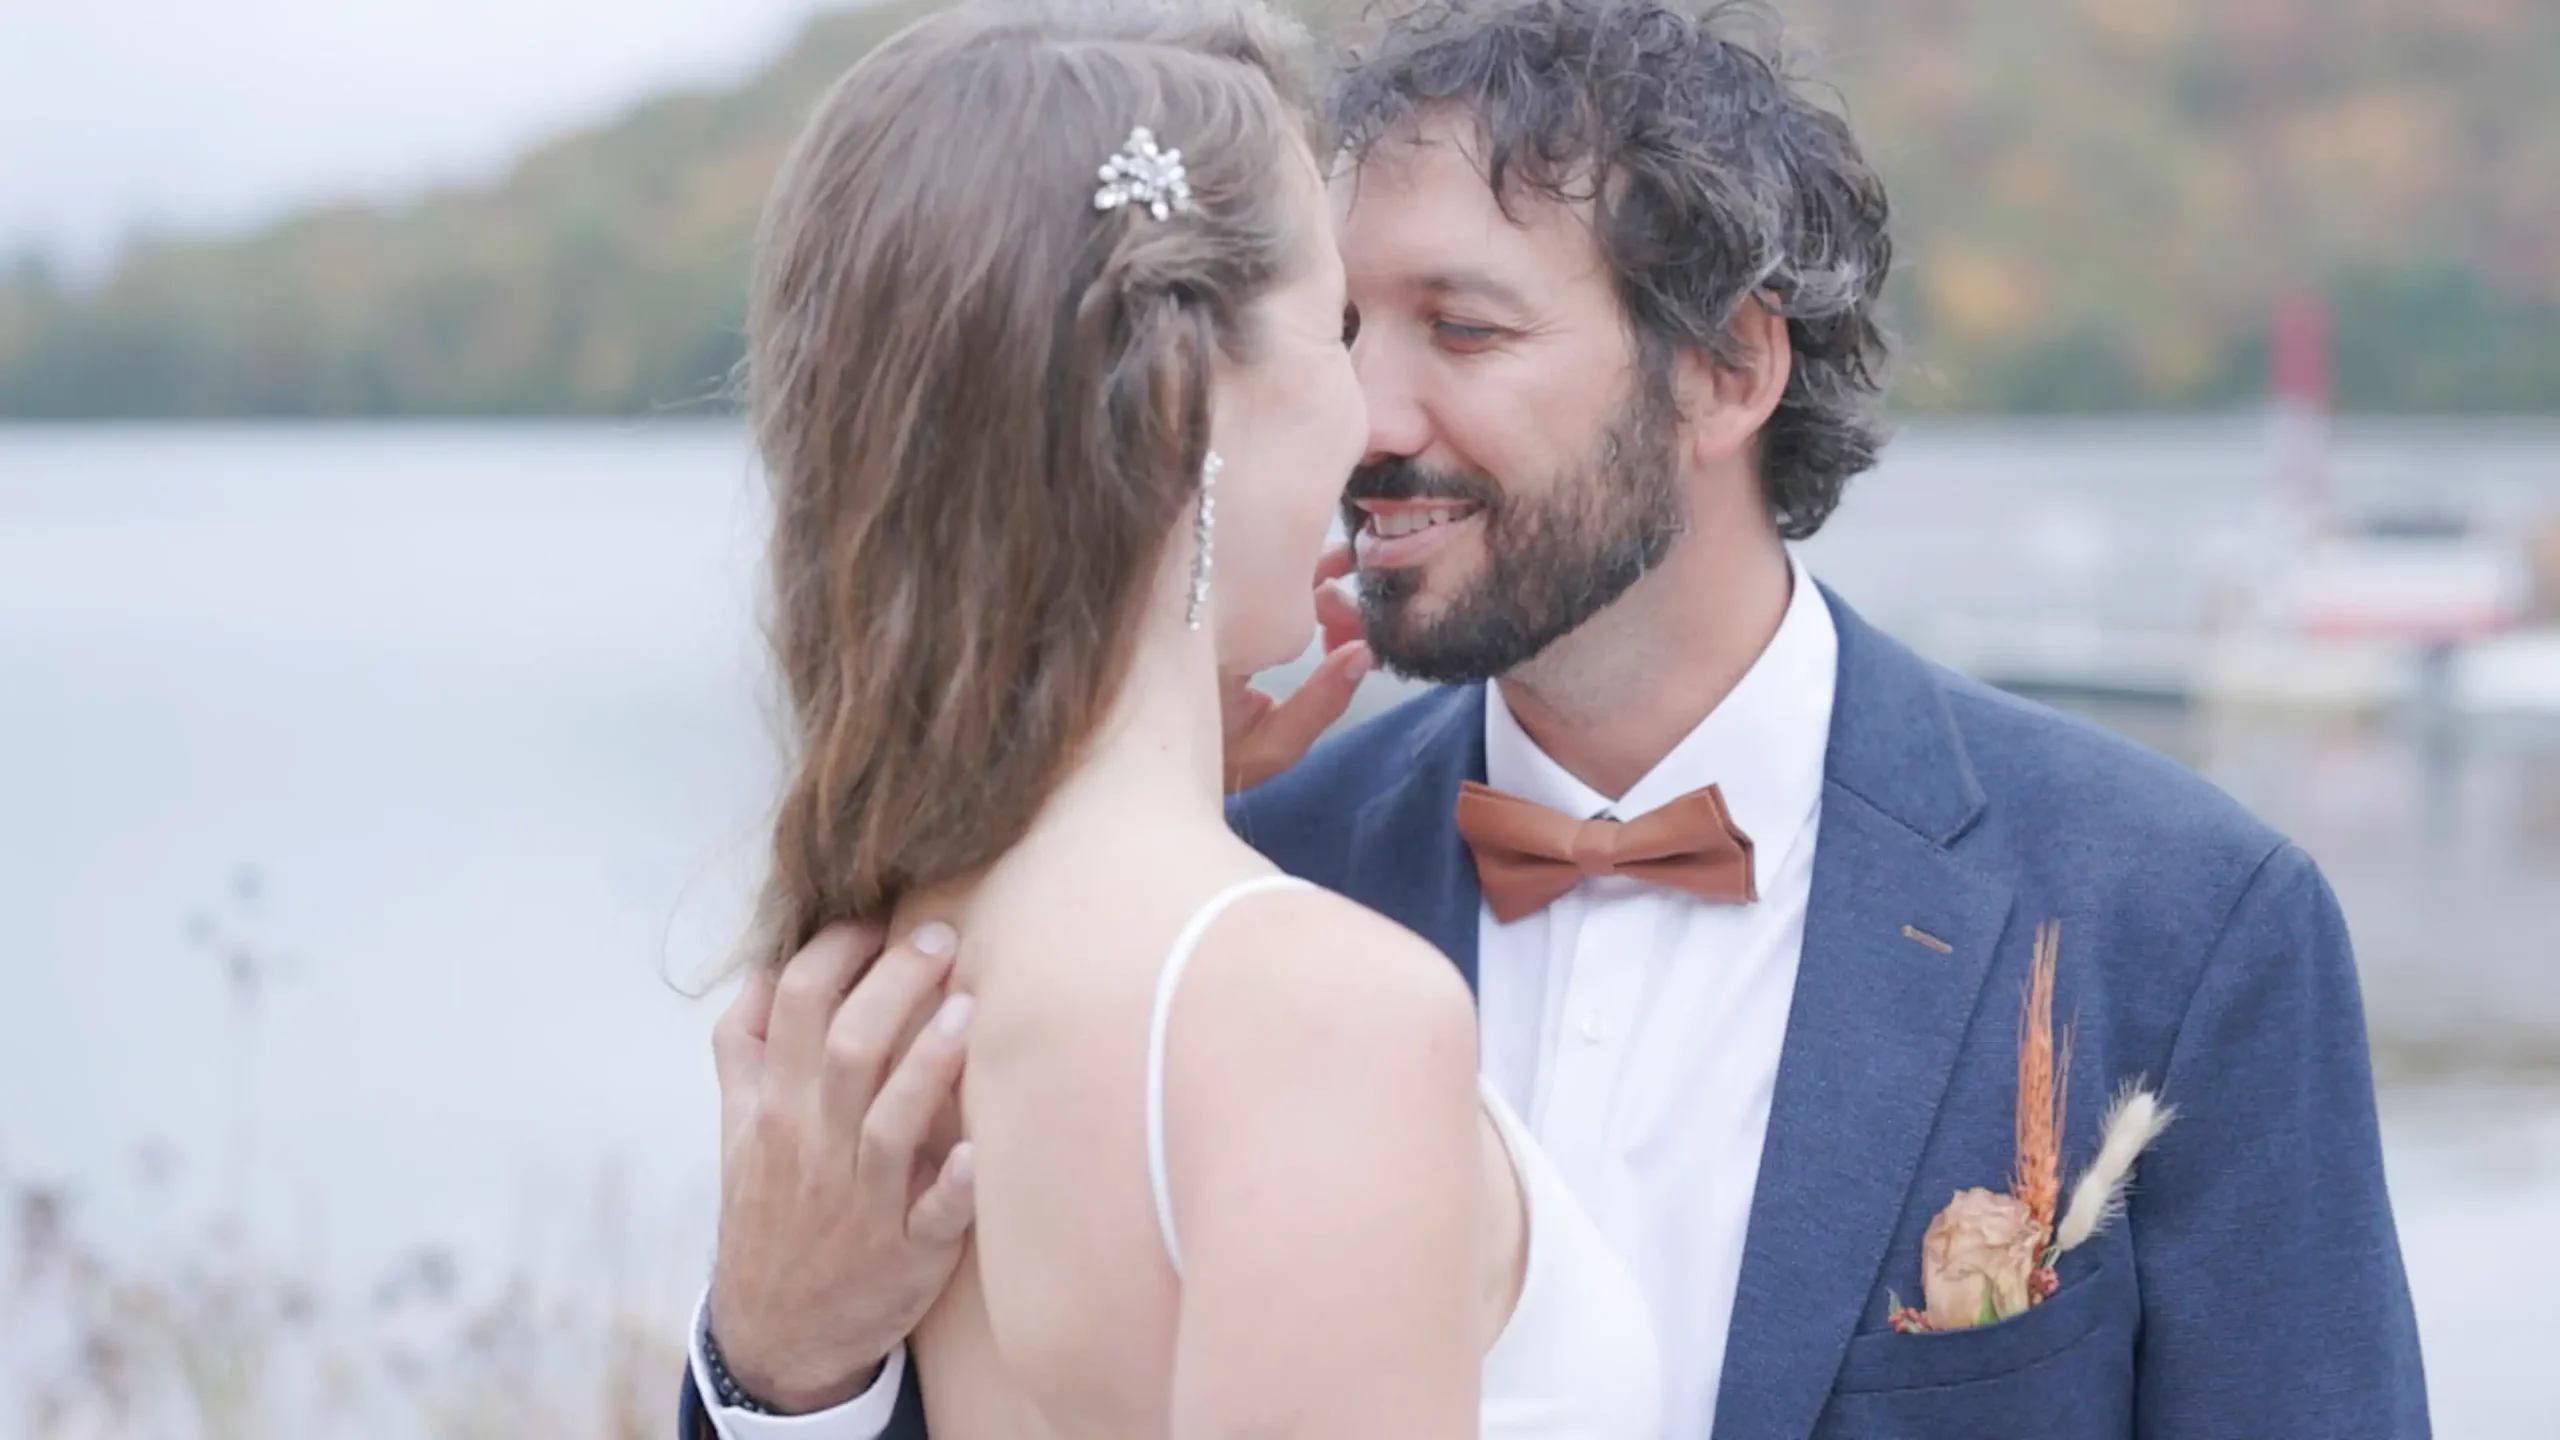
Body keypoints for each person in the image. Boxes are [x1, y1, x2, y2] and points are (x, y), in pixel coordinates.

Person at [686, 0, 2433, 1436]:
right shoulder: (1238, 897)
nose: (1373, 409)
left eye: (1463, 326)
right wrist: (777, 1372)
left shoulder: (2181, 920)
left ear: (1730, 372)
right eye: (1349, 322)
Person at [684, 0, 1662, 1436]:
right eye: (1333, 328)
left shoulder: (886, 983)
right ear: (1186, 401)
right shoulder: (1310, 1015)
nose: (1370, 420)